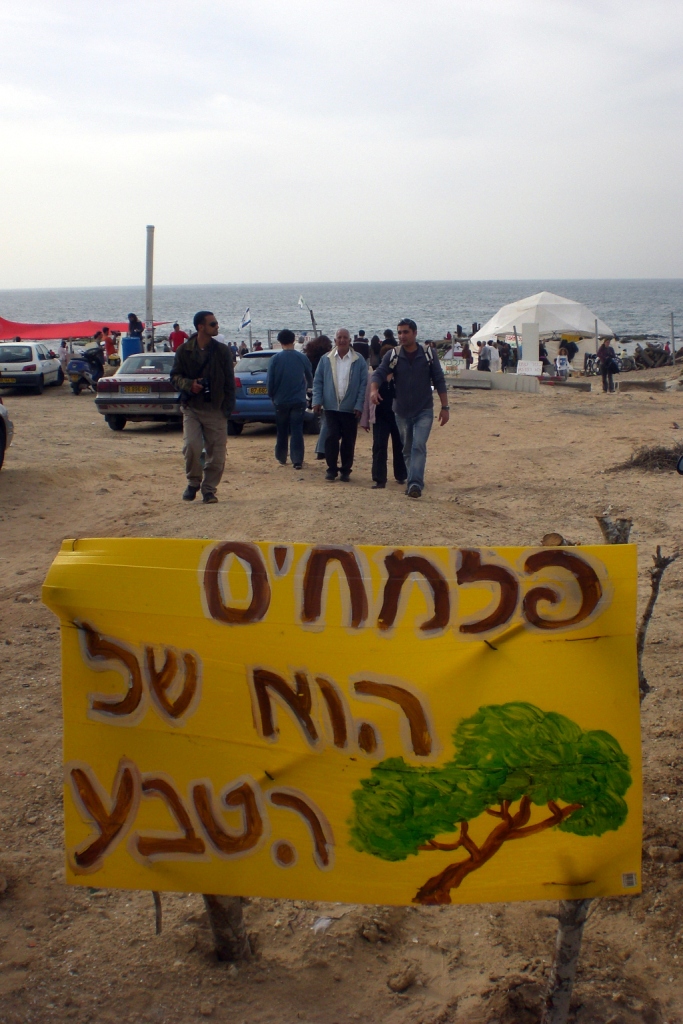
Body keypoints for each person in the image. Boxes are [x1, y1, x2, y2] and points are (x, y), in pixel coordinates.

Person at [371, 317, 449, 498]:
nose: (402, 336)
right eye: (399, 332)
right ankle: (413, 481)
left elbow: (439, 380)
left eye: (406, 332)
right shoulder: (393, 355)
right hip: (401, 411)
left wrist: (445, 407)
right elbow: (379, 373)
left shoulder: (428, 354)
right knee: (406, 449)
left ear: (415, 333)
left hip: (424, 410)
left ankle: (414, 484)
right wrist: (373, 390)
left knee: (418, 446)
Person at [171, 311, 235, 503]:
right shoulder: (184, 350)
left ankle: (209, 489)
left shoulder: (222, 351)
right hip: (192, 407)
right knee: (192, 446)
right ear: (201, 327)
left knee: (217, 453)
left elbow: (229, 382)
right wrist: (189, 384)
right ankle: (193, 482)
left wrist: (228, 408)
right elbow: (174, 377)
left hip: (216, 408)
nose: (217, 326)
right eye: (213, 324)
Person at [312, 328, 367, 482]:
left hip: (350, 408)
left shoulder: (359, 360)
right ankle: (331, 469)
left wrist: (359, 405)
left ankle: (345, 470)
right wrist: (317, 401)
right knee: (331, 438)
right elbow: (318, 381)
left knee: (349, 441)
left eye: (345, 337)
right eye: (339, 337)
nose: (342, 340)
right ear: (335, 340)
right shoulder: (326, 359)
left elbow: (363, 385)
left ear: (350, 340)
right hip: (331, 407)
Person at [360, 343, 407, 489]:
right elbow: (367, 399)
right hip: (380, 415)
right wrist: (365, 420)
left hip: (398, 415)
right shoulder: (374, 376)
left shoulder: (401, 375)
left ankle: (401, 475)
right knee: (379, 446)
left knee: (400, 445)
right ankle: (379, 478)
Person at [267, 328, 313, 470]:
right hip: (298, 399)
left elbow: (270, 381)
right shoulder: (302, 357)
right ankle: (297, 459)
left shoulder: (275, 359)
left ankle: (281, 456)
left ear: (280, 342)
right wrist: (307, 390)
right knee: (297, 429)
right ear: (293, 340)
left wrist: (271, 395)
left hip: (280, 400)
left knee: (282, 429)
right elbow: (310, 376)